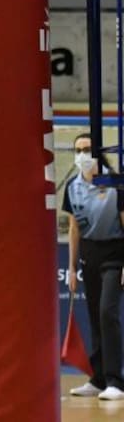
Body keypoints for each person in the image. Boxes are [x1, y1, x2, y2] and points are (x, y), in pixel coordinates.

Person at [65, 131, 124, 401]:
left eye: (87, 149)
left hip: (115, 254)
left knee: (107, 313)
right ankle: (98, 379)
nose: (82, 155)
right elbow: (73, 228)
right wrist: (71, 267)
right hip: (89, 256)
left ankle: (116, 381)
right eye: (77, 150)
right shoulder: (72, 187)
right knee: (94, 317)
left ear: (98, 153)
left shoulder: (116, 184)